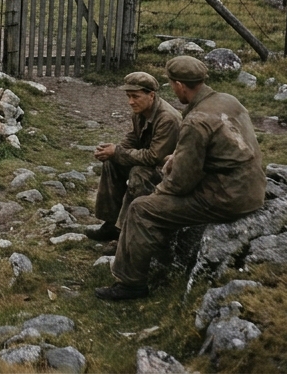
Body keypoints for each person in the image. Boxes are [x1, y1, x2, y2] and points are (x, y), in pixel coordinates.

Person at [96, 56, 267, 301]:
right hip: (252, 187)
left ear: (178, 85)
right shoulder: (228, 100)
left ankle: (131, 284)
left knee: (141, 209)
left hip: (227, 197)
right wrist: (177, 158)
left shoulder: (195, 120)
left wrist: (158, 192)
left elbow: (181, 183)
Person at [88, 71, 181, 246]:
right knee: (111, 163)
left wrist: (118, 152)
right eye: (128, 96)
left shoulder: (167, 118)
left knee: (139, 174)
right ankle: (111, 224)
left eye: (135, 96)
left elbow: (154, 156)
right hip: (149, 164)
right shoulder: (140, 112)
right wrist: (111, 151)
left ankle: (127, 233)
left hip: (168, 173)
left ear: (151, 95)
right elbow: (133, 138)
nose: (131, 101)